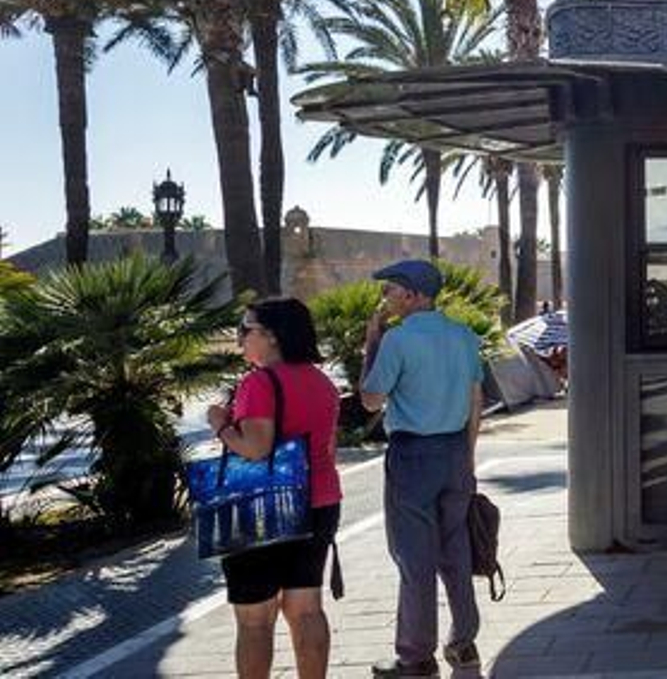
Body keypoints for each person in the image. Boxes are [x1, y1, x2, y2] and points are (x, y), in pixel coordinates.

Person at [207, 298, 342, 679]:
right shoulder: (321, 381)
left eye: (244, 330)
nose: (239, 341)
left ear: (272, 336)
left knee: (255, 619)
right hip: (320, 500)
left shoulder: (259, 382)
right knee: (307, 609)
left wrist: (219, 423)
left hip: (261, 505)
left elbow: (255, 448)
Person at [361, 260, 484, 678]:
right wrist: (466, 458)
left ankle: (415, 657)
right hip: (455, 452)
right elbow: (475, 402)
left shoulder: (397, 340)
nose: (385, 299)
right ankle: (463, 643)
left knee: (415, 560)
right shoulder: (464, 336)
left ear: (413, 295)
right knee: (456, 551)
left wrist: (372, 344)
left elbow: (371, 400)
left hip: (413, 455)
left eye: (391, 291)